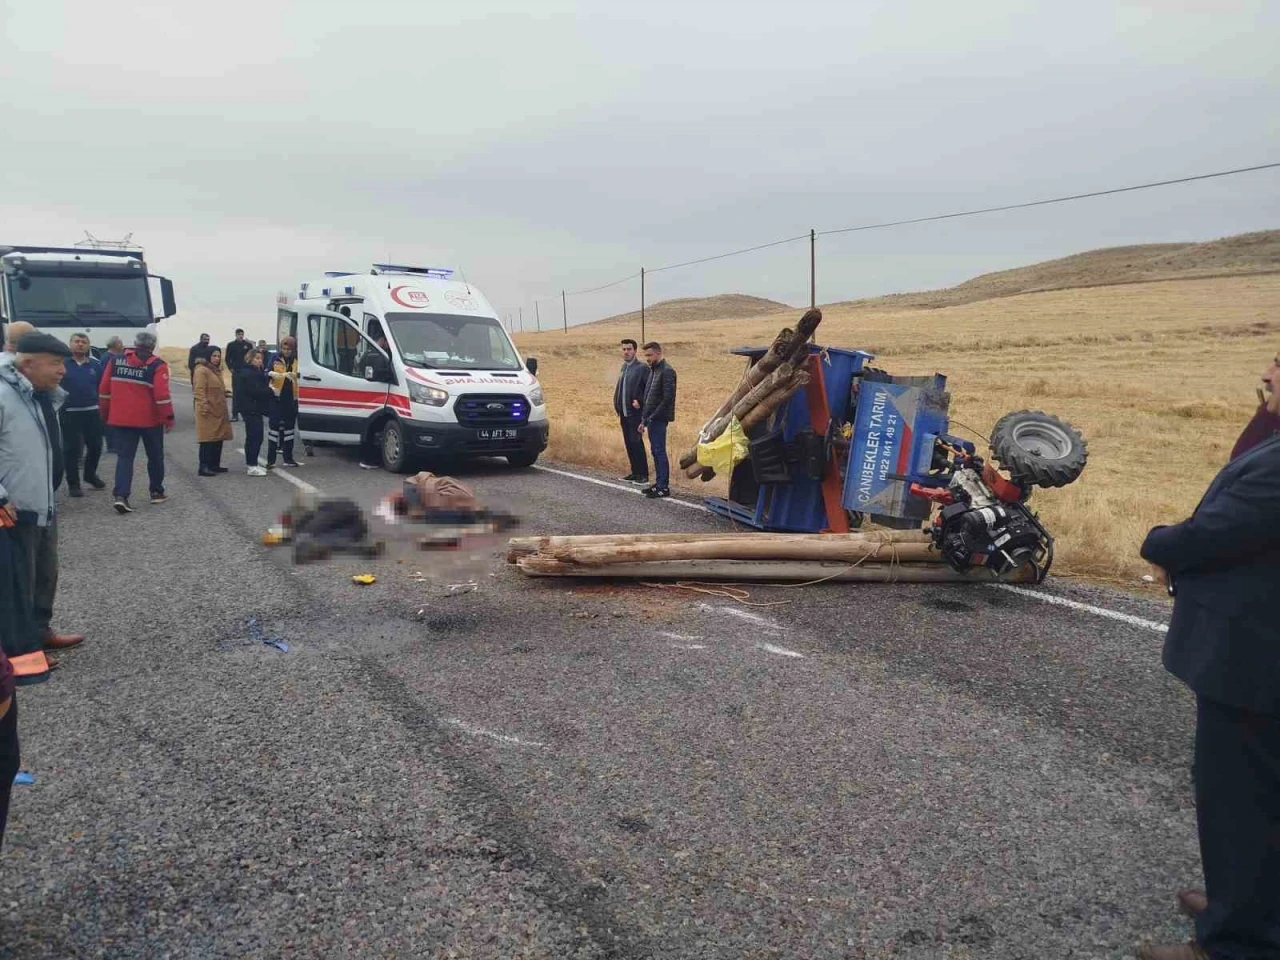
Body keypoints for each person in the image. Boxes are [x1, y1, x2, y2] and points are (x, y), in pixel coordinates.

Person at [1136, 355, 1280, 960]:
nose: (1269, 367)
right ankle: (1242, 901)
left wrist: (1159, 541)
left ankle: (1236, 942)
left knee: (1241, 801)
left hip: (1254, 661)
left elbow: (1218, 533)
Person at [1, 332, 83, 674]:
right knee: (16, 583)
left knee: (44, 572)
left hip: (42, 499)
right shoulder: (5, 395)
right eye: (55, 363)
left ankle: (40, 631)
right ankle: (20, 655)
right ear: (28, 362)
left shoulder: (36, 395)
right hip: (13, 507)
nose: (62, 370)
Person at [100, 330, 174, 513]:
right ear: (152, 345)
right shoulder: (157, 365)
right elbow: (162, 395)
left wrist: (106, 414)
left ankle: (121, 496)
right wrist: (168, 418)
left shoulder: (116, 361)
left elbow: (104, 390)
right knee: (155, 456)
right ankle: (156, 492)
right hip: (150, 421)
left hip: (123, 420)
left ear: (135, 343)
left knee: (125, 458)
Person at [59, 333, 106, 497]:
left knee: (96, 447)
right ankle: (74, 484)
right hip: (69, 413)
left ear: (88, 345)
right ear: (70, 344)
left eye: (83, 342)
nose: (80, 344)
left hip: (92, 412)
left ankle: (90, 475)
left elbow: (103, 387)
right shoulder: (62, 364)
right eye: (76, 341)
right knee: (71, 450)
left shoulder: (96, 365)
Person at [637, 341, 676, 499]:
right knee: (655, 451)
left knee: (659, 451)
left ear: (659, 353)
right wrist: (644, 420)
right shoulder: (653, 370)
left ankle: (663, 486)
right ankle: (658, 483)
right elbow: (649, 398)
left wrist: (652, 417)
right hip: (651, 418)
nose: (647, 358)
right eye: (645, 355)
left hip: (659, 419)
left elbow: (667, 398)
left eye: (650, 355)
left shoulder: (667, 371)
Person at [613, 338, 650, 485]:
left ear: (635, 351)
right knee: (629, 444)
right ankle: (635, 473)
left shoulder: (642, 368)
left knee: (637, 443)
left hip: (635, 414)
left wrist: (640, 402)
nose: (626, 352)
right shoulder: (624, 367)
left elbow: (648, 390)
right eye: (624, 349)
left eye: (629, 349)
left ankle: (643, 475)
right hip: (624, 414)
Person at [192, 347, 232, 477]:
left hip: (218, 409)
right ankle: (204, 467)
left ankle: (215, 465)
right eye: (214, 356)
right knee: (207, 439)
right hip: (207, 409)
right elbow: (199, 390)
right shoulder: (202, 370)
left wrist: (225, 392)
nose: (217, 358)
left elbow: (216, 387)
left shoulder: (215, 370)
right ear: (208, 356)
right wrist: (203, 407)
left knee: (218, 438)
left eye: (218, 356)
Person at [266, 336, 302, 468]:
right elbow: (266, 372)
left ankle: (288, 458)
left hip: (290, 399)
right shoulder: (274, 358)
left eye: (289, 349)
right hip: (276, 398)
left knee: (289, 431)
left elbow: (302, 375)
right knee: (274, 430)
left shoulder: (296, 361)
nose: (286, 351)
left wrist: (295, 375)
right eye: (284, 348)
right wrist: (272, 374)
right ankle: (270, 460)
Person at [236, 348, 271, 476]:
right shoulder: (249, 373)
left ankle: (253, 463)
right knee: (255, 437)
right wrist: (270, 390)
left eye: (260, 358)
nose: (259, 361)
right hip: (250, 408)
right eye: (256, 358)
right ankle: (251, 465)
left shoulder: (255, 372)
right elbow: (254, 391)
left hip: (253, 408)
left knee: (256, 437)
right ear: (250, 359)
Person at [100, 337, 126, 454]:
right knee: (109, 419)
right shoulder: (108, 358)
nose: (122, 344)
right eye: (120, 342)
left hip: (112, 393)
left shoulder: (110, 357)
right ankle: (112, 445)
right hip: (109, 393)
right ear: (115, 345)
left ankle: (115, 443)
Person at [224, 328, 252, 422]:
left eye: (242, 334)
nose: (240, 336)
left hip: (246, 372)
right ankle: (235, 415)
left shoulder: (248, 345)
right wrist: (231, 368)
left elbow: (251, 357)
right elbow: (227, 358)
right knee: (236, 393)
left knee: (246, 393)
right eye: (239, 334)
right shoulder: (231, 345)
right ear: (236, 335)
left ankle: (245, 414)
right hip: (236, 372)